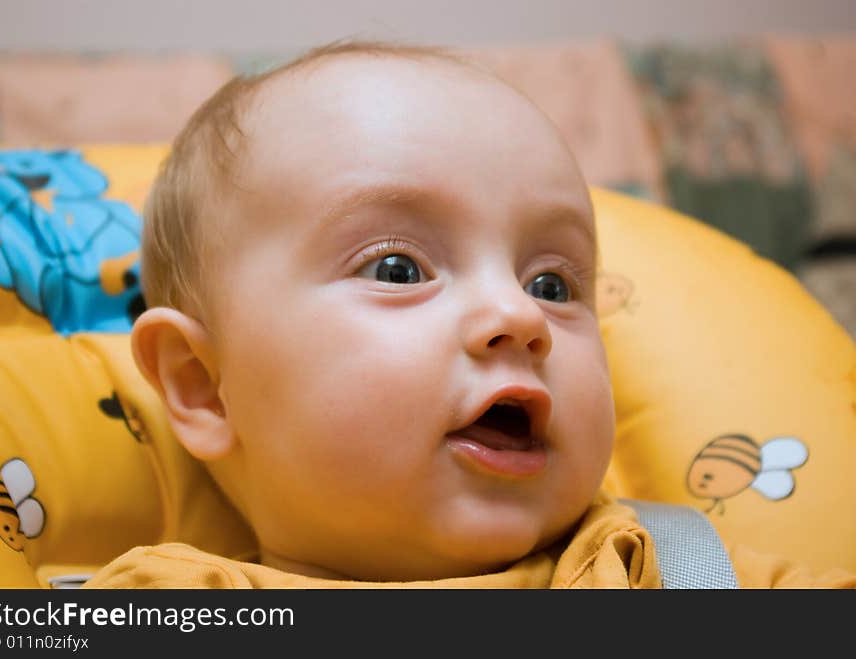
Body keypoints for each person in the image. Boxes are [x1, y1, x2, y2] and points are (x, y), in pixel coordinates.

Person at [83, 41, 855, 589]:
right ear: (203, 387)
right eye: (398, 268)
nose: (520, 315)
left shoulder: (671, 569)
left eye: (553, 283)